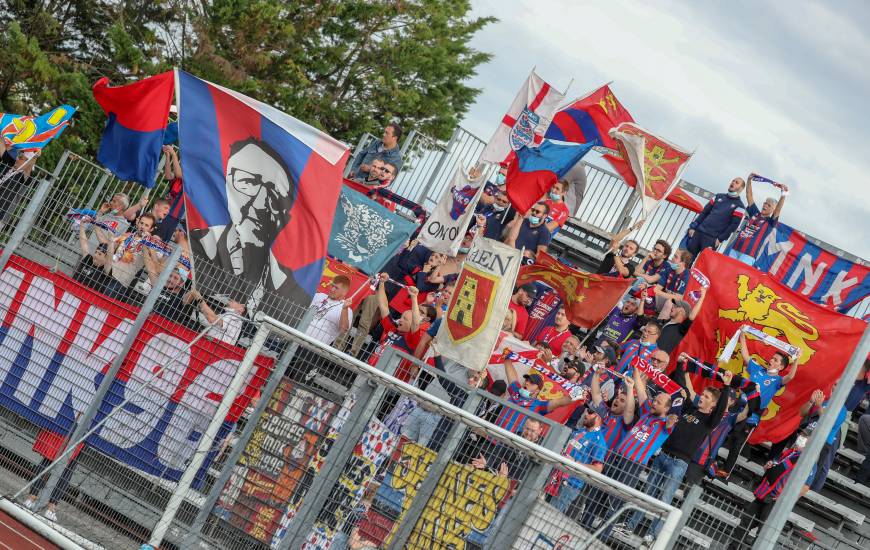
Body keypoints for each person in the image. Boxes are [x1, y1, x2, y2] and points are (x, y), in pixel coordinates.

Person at [188, 137, 310, 307]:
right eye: (248, 182)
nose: (261, 203)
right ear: (228, 187)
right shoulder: (195, 243)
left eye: (275, 195)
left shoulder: (289, 291)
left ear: (285, 214)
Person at [625, 364, 732, 541]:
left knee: (665, 500)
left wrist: (727, 386)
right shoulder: (689, 408)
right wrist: (682, 367)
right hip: (663, 455)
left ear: (713, 404)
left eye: (706, 397)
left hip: (679, 463)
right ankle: (629, 526)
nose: (701, 398)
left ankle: (652, 535)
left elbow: (721, 409)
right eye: (702, 394)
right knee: (647, 494)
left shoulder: (711, 420)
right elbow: (682, 388)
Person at [718, 330, 798, 478]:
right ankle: (710, 460)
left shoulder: (777, 381)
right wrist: (742, 337)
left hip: (751, 416)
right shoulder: (758, 369)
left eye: (775, 360)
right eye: (772, 358)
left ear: (780, 367)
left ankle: (725, 472)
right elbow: (746, 357)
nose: (771, 360)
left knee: (737, 443)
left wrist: (796, 360)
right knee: (720, 433)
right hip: (737, 407)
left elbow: (791, 376)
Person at [729, 429, 815, 549]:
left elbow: (805, 487)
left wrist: (785, 499)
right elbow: (776, 474)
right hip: (763, 495)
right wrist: (767, 468)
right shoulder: (790, 452)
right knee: (744, 524)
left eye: (805, 435)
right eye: (801, 434)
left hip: (775, 501)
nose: (801, 436)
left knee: (762, 533)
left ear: (812, 440)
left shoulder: (809, 460)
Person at [550, 402, 609, 513]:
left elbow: (598, 469)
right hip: (556, 476)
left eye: (590, 412)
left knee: (550, 516)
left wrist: (575, 463)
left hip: (570, 484)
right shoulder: (580, 431)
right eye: (587, 410)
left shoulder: (599, 441)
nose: (586, 413)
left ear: (598, 418)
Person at [496, 358, 578, 432]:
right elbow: (511, 375)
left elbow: (558, 402)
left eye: (532, 382)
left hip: (508, 444)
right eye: (527, 380)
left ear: (538, 390)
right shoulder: (516, 391)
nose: (527, 383)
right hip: (490, 436)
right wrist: (508, 357)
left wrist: (577, 395)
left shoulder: (539, 404)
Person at [727, 173, 786, 264]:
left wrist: (783, 194)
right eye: (765, 203)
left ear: (772, 209)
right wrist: (749, 180)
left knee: (737, 278)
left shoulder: (770, 222)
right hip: (735, 249)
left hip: (748, 256)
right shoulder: (755, 213)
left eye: (768, 205)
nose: (765, 205)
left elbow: (778, 210)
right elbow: (749, 196)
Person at [684, 176, 746, 256]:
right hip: (699, 232)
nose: (733, 182)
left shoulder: (740, 206)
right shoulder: (718, 196)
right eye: (733, 181)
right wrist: (693, 226)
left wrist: (720, 239)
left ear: (741, 188)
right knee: (687, 260)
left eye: (736, 182)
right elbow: (704, 212)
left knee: (702, 265)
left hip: (712, 239)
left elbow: (733, 226)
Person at [102, 213, 157, 302]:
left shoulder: (150, 245)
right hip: (107, 271)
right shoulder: (127, 235)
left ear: (151, 229)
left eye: (146, 225)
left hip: (120, 282)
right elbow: (107, 243)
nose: (142, 227)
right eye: (141, 223)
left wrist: (148, 243)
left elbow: (155, 263)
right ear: (138, 223)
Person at [656, 287, 707, 355]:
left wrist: (702, 298)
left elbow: (691, 316)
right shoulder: (665, 321)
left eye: (676, 306)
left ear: (682, 311)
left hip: (660, 361)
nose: (672, 307)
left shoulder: (681, 328)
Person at [306, 276, 353, 346]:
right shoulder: (318, 296)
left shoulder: (347, 309)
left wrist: (345, 309)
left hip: (314, 347)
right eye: (332, 286)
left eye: (336, 288)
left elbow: (343, 330)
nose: (332, 289)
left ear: (344, 292)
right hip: (296, 337)